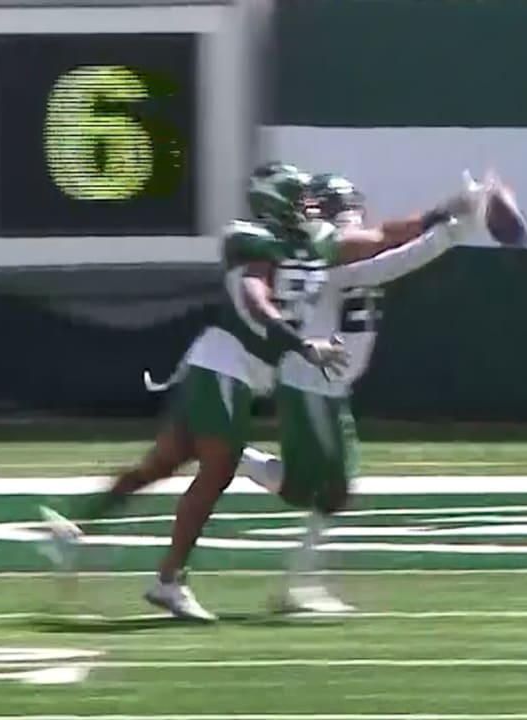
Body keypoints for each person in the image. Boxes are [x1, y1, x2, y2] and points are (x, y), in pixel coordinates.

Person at [43, 162, 483, 621]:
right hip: (226, 362)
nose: (308, 206)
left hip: (237, 370)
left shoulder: (316, 242)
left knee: (162, 464)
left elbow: (383, 238)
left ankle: (79, 526)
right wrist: (300, 344)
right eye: (298, 198)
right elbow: (257, 296)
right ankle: (167, 581)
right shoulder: (253, 241)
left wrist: (447, 209)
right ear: (275, 203)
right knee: (216, 470)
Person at [240, 171, 493, 614]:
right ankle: (297, 586)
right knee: (331, 489)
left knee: (310, 489)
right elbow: (392, 261)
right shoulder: (324, 259)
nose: (355, 220)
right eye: (345, 211)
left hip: (327, 387)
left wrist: (454, 222)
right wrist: (455, 228)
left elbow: (389, 252)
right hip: (311, 384)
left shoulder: (337, 253)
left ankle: (228, 453)